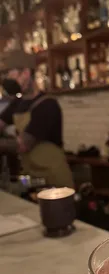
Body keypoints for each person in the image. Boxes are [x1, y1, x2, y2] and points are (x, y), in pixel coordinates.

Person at [0, 51, 74, 188]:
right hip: (32, 178)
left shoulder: (47, 105)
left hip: (55, 180)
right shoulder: (17, 103)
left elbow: (22, 144)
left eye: (10, 73)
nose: (7, 79)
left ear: (26, 73)